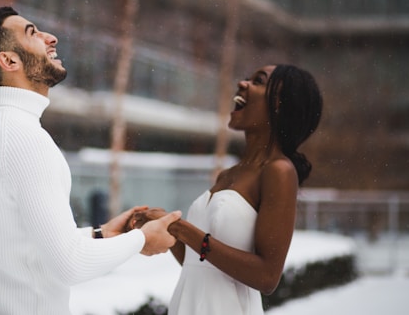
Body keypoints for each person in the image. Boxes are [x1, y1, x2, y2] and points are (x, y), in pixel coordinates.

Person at [0, 6, 181, 315]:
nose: (51, 37)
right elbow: (69, 265)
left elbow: (19, 243)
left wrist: (100, 235)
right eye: (32, 33)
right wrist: (142, 240)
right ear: (9, 60)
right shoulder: (23, 138)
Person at [127, 64, 323, 314]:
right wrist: (166, 226)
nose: (242, 84)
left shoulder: (279, 171)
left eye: (259, 81)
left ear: (280, 104)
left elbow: (267, 277)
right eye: (247, 78)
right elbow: (199, 264)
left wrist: (181, 228)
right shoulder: (227, 174)